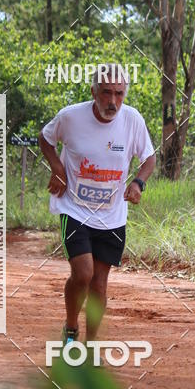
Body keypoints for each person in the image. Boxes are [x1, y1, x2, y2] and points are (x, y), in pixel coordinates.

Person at [38, 64, 156, 344]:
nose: (112, 101)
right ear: (93, 91)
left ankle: (90, 344)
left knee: (99, 284)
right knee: (83, 273)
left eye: (119, 94)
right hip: (74, 208)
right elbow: (45, 138)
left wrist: (138, 183)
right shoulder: (70, 117)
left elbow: (149, 159)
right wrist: (57, 168)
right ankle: (70, 328)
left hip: (112, 215)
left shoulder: (132, 120)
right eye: (106, 93)